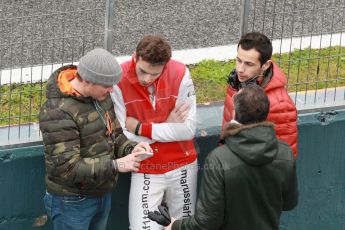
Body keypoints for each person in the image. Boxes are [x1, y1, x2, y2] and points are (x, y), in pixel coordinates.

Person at [150, 85, 298, 230]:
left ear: (235, 114)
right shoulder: (285, 153)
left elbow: (206, 222)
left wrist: (174, 225)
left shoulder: (219, 159)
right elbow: (289, 203)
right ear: (266, 113)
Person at [39, 48, 152, 230]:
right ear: (89, 81)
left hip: (101, 193)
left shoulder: (100, 96)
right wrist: (116, 165)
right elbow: (67, 168)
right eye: (107, 85)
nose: (111, 89)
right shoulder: (57, 112)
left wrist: (132, 149)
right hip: (71, 202)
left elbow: (115, 135)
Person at [111, 35, 198, 229]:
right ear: (134, 57)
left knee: (183, 227)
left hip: (183, 165)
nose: (146, 79)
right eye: (142, 71)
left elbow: (188, 130)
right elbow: (124, 135)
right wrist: (168, 125)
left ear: (165, 66)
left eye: (154, 74)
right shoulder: (118, 79)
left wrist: (142, 128)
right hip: (146, 168)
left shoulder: (181, 72)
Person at [222, 32, 298, 157]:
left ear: (265, 65)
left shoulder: (280, 105)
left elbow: (285, 159)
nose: (240, 69)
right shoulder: (236, 83)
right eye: (238, 60)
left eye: (248, 64)